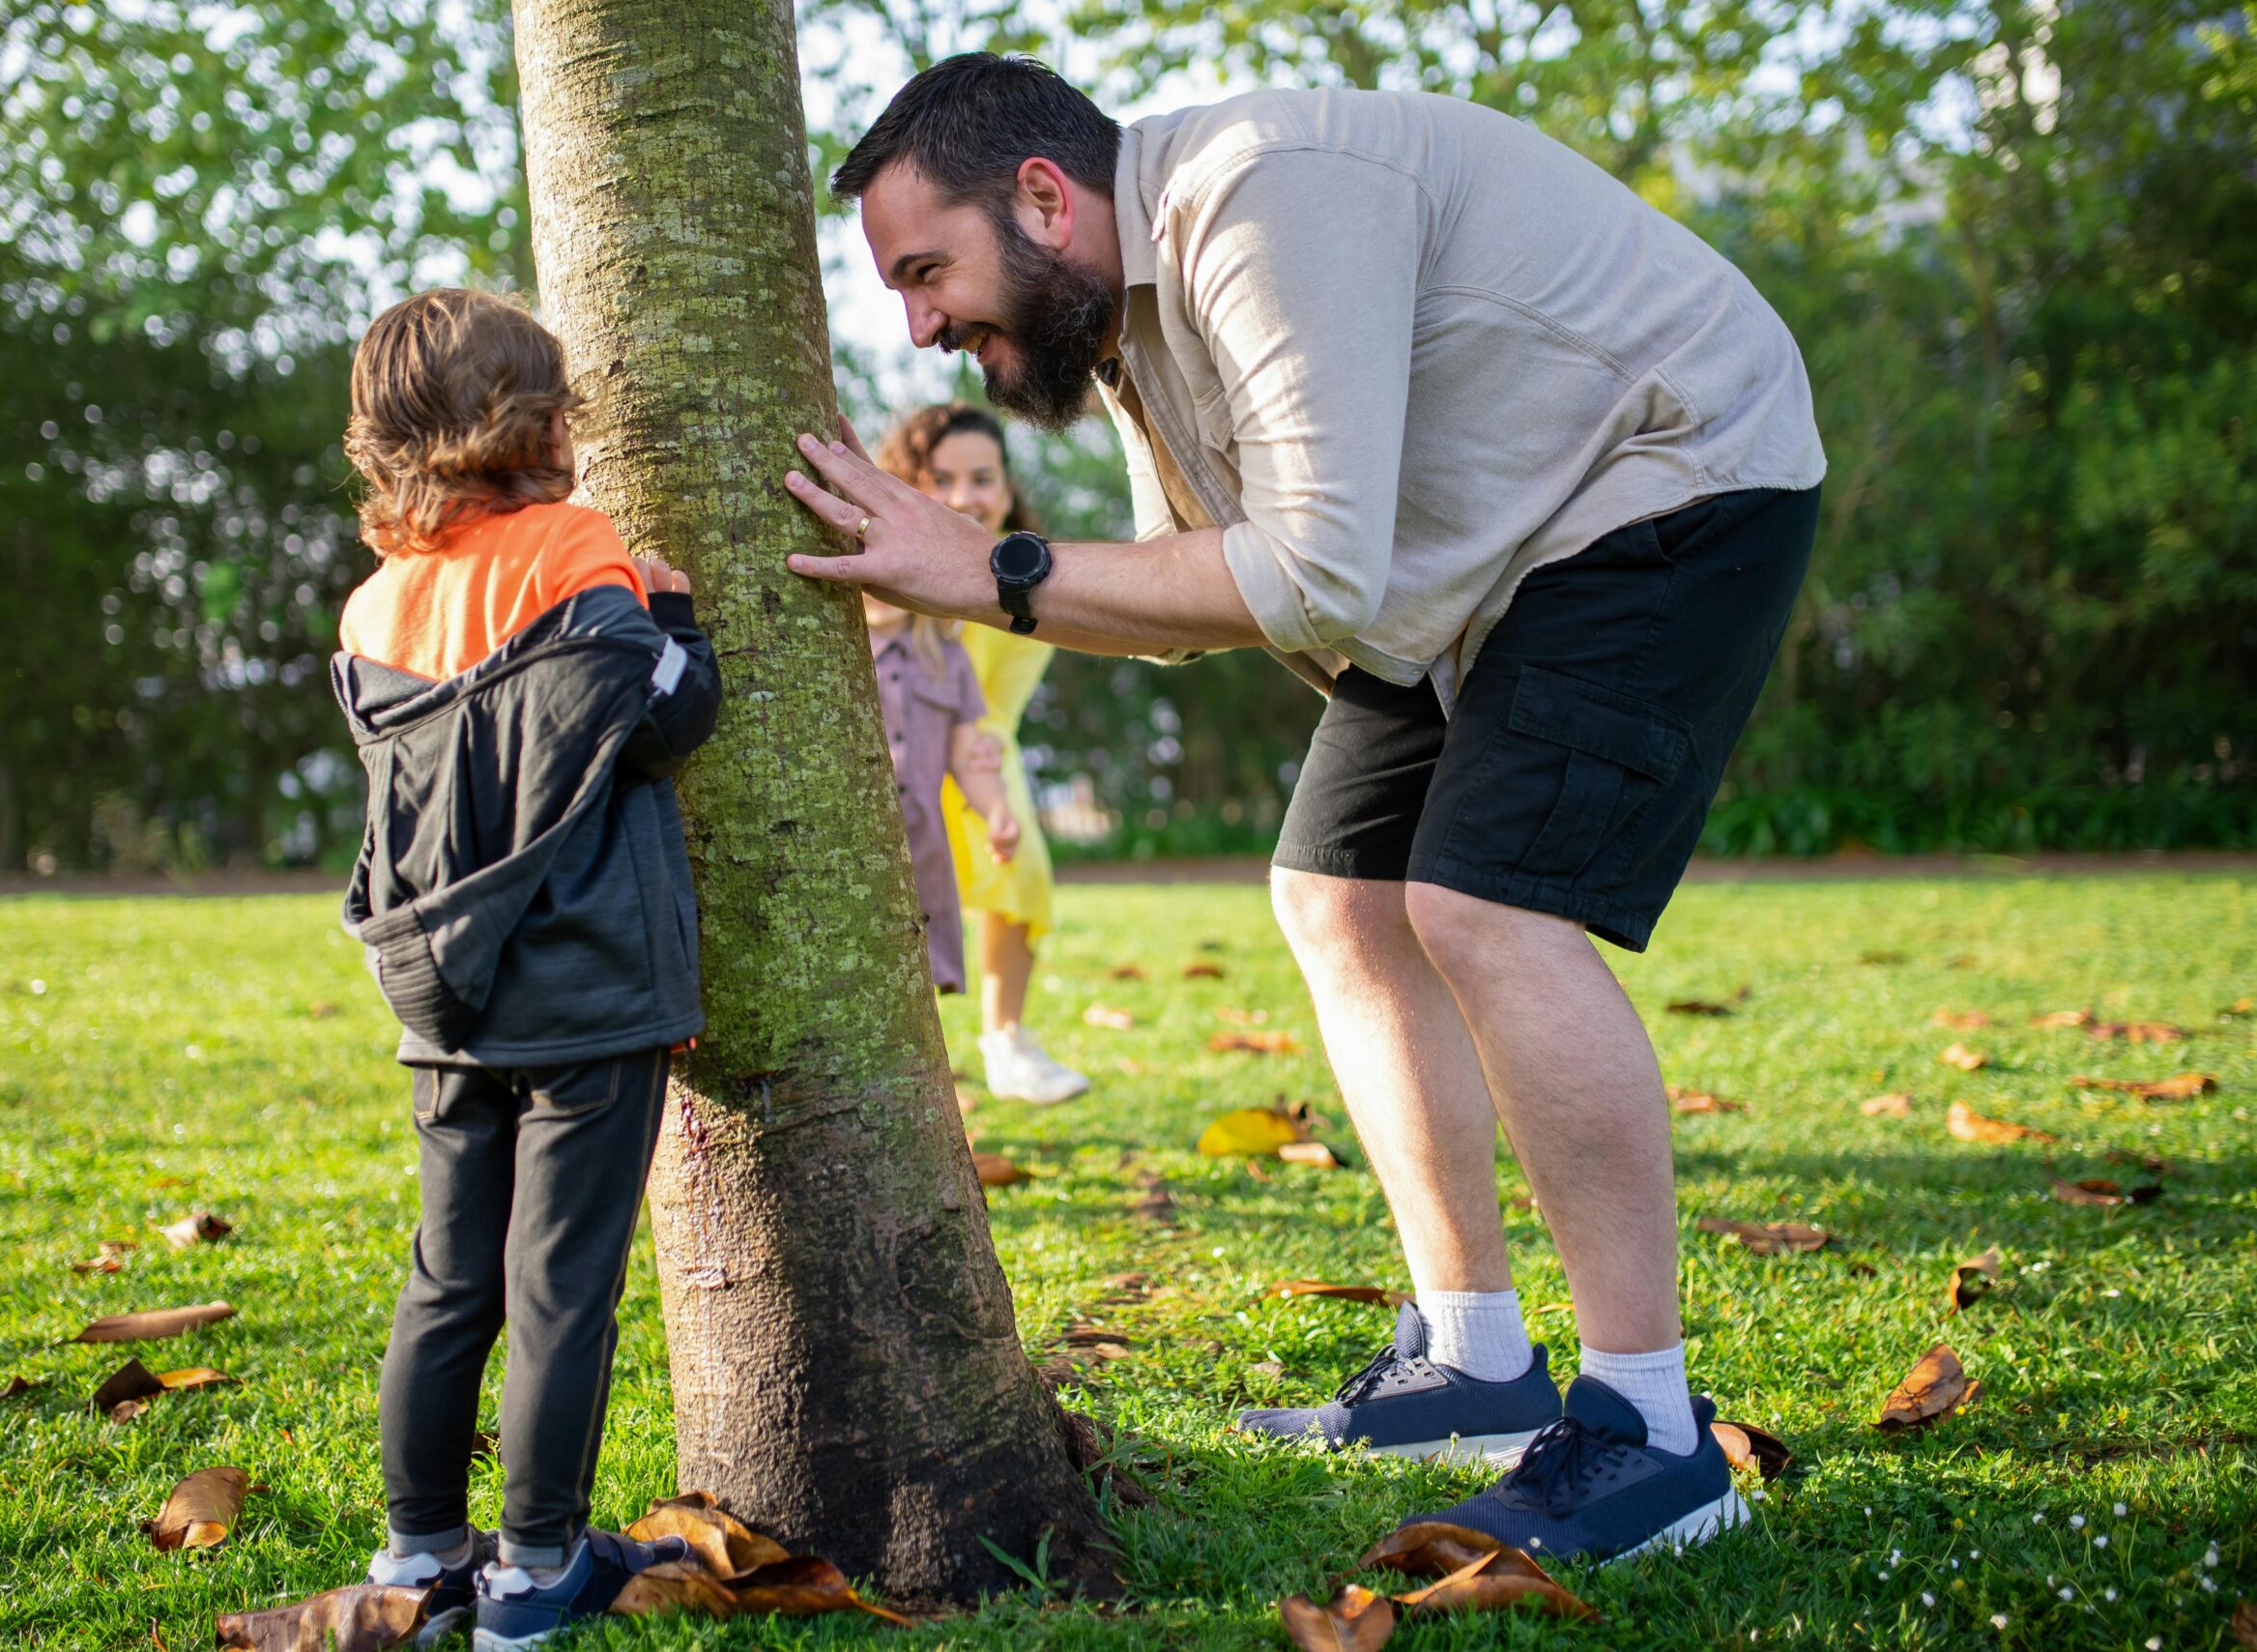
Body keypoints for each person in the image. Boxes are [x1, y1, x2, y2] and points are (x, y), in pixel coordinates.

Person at [782, 55, 1826, 1563]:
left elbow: (1310, 573)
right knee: (1336, 892)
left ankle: (1652, 1431)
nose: (922, 325)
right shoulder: (1130, 318)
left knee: (1485, 904)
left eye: (926, 271)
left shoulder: (1259, 195)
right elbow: (1189, 588)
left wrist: (988, 572)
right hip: (1462, 560)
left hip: (1668, 475)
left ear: (1044, 199)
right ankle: (1474, 1359)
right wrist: (979, 580)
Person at [333, 287, 717, 1649]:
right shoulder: (572, 548)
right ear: (532, 420)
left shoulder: (372, 604)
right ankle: (538, 1564)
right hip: (587, 980)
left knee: (449, 1278)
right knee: (561, 1283)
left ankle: (423, 1544)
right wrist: (680, 621)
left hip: (448, 991)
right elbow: (658, 721)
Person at [875, 403, 1089, 1104]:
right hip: (896, 749)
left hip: (981, 742)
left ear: (1006, 486)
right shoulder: (891, 566)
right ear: (910, 483)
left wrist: (986, 778)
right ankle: (913, 1054)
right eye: (941, 478)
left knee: (1020, 867)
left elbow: (998, 702)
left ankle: (1007, 1040)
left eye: (982, 478)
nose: (965, 496)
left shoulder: (1033, 574)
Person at [860, 588, 1022, 994]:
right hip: (853, 843)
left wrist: (997, 811)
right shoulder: (831, 653)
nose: (875, 590)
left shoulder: (949, 658)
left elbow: (970, 757)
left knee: (919, 977)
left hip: (921, 847)